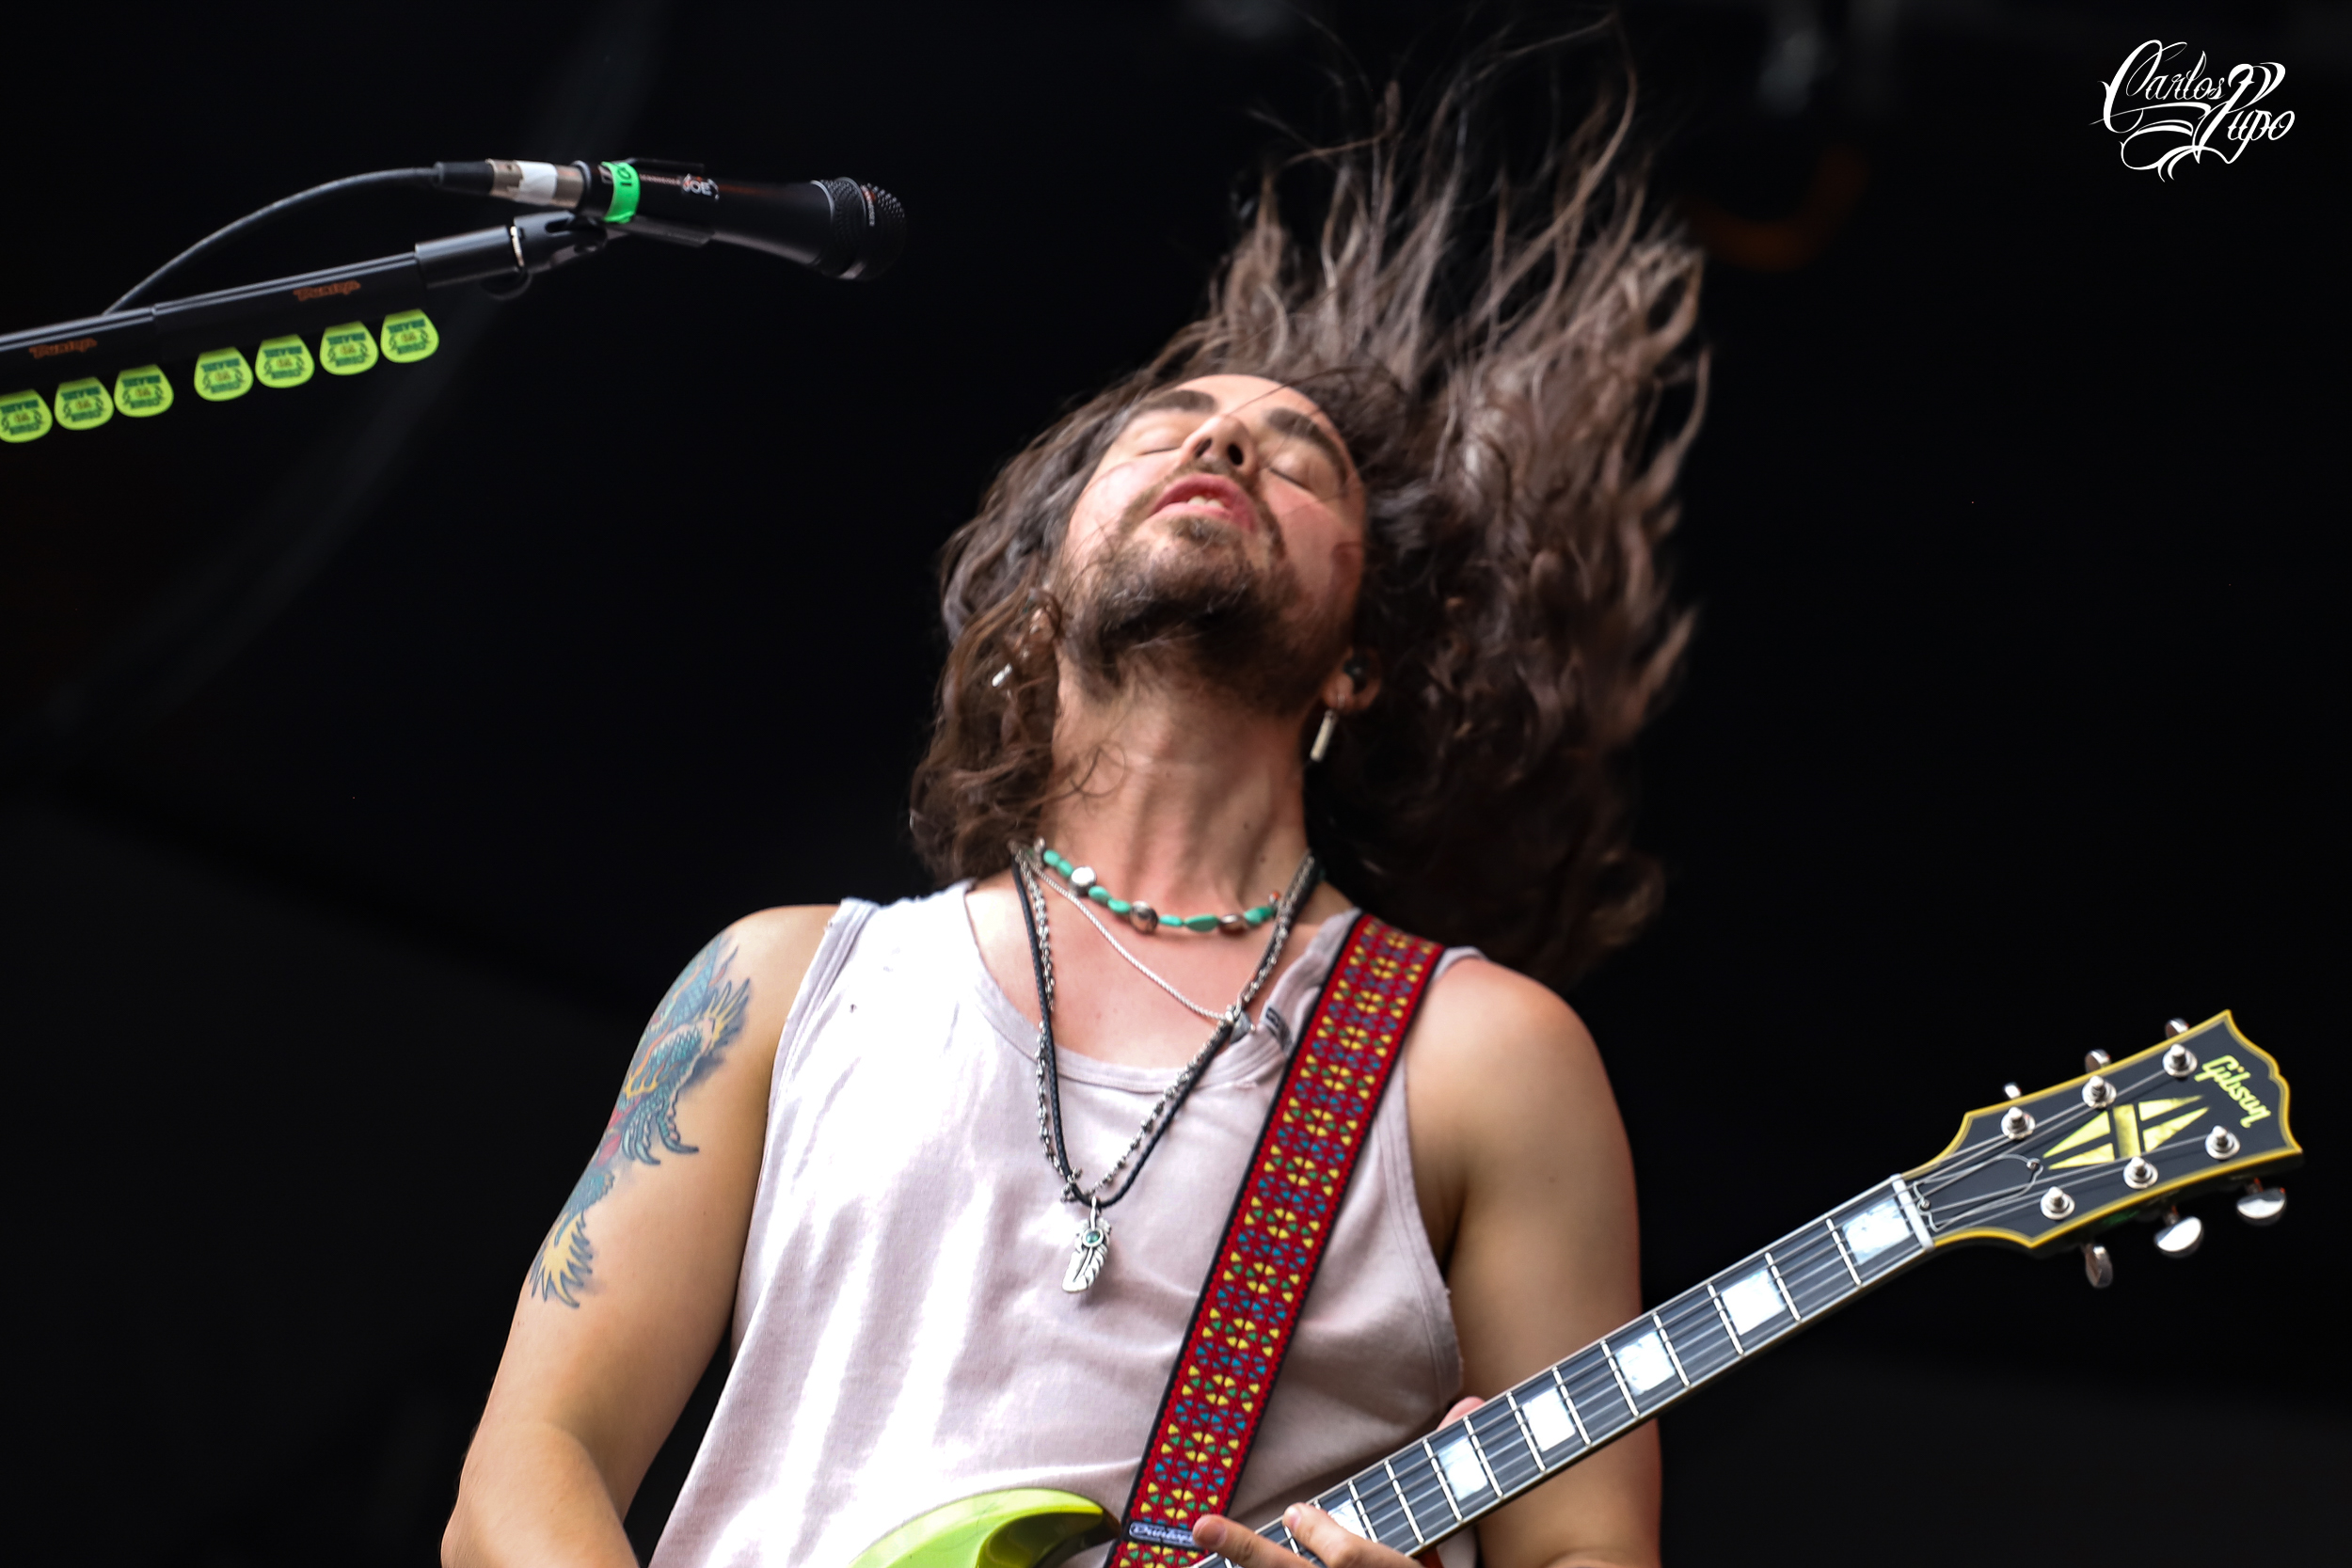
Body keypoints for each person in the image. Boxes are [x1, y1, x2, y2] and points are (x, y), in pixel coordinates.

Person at [444, 39, 1702, 1568]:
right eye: (1167, 427)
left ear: (1359, 664)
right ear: (1044, 595)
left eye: (1300, 463)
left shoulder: (1485, 1058)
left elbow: (1587, 1549)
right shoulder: (782, 984)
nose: (1225, 440)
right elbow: (530, 1465)